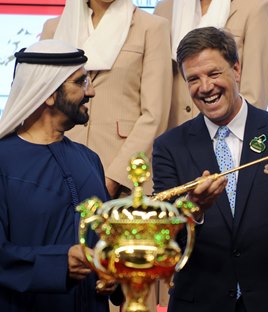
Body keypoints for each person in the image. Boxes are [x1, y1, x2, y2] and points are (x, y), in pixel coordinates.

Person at [152, 27, 268, 312]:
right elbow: (163, 244)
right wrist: (192, 210)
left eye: (213, 73)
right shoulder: (169, 146)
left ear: (236, 69)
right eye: (193, 79)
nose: (205, 87)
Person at [0, 39, 115, 312]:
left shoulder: (90, 159)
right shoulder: (3, 160)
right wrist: (59, 263)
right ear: (49, 94)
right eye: (81, 82)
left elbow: (106, 242)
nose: (91, 91)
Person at [41, 0, 172, 198]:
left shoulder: (152, 28)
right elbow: (42, 102)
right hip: (59, 165)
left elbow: (155, 116)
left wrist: (115, 178)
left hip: (121, 173)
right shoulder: (54, 28)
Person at [154, 0, 268, 129]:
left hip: (230, 135)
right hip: (176, 135)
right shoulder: (164, 9)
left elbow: (255, 94)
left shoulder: (254, 7)